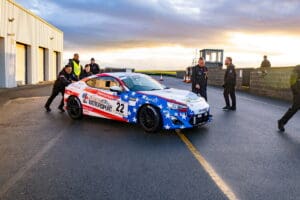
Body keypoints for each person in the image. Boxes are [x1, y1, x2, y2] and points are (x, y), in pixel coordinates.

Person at [278, 65, 300, 132]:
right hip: (298, 93)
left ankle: (281, 121)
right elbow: (292, 82)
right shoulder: (297, 68)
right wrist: (297, 92)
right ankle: (281, 122)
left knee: (294, 109)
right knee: (294, 109)